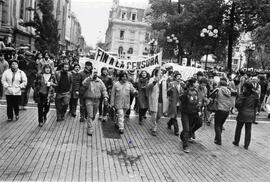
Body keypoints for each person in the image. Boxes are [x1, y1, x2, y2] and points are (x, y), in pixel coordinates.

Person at [233, 82, 259, 150]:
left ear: (246, 87)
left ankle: (236, 141)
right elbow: (257, 104)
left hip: (242, 113)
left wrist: (239, 108)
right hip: (251, 114)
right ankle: (246, 145)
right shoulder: (255, 94)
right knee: (248, 130)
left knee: (238, 128)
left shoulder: (243, 94)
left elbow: (238, 104)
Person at [82, 69, 108, 136]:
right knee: (90, 114)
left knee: (94, 114)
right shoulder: (87, 80)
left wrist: (105, 96)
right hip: (89, 99)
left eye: (96, 72)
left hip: (97, 100)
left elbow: (104, 89)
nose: (95, 74)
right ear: (91, 73)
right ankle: (90, 128)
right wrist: (90, 78)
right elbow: (84, 84)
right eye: (94, 72)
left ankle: (90, 122)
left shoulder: (100, 81)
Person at [180, 78, 201, 153]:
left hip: (193, 112)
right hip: (185, 113)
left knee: (198, 123)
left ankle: (185, 136)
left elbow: (197, 101)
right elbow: (181, 99)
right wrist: (185, 92)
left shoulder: (196, 91)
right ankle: (185, 145)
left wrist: (198, 110)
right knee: (186, 128)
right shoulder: (186, 91)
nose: (197, 83)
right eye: (196, 82)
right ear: (193, 83)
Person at [209, 78, 231, 145]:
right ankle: (216, 139)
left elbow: (210, 95)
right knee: (220, 125)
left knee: (217, 125)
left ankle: (219, 140)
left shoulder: (218, 89)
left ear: (219, 84)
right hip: (227, 110)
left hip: (219, 109)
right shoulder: (228, 91)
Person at [147, 68, 168, 136]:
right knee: (154, 114)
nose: (161, 73)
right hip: (154, 99)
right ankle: (154, 129)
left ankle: (154, 122)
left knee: (159, 115)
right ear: (156, 72)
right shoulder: (152, 79)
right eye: (160, 72)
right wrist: (154, 82)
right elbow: (149, 87)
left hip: (161, 99)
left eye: (162, 72)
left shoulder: (164, 80)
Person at [167, 71, 184, 136]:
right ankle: (176, 130)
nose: (179, 78)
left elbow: (183, 92)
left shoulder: (182, 84)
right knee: (174, 116)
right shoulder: (171, 83)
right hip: (173, 102)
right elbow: (168, 92)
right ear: (175, 77)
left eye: (180, 77)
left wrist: (183, 86)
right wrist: (170, 89)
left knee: (174, 115)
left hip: (179, 102)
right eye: (177, 77)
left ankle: (169, 123)